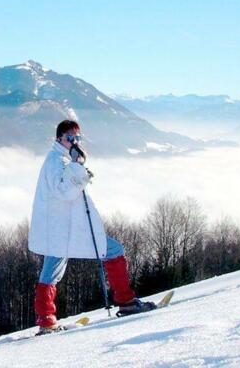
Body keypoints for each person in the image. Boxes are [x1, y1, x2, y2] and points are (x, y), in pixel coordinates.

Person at [28, 120, 155, 333]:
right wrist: (78, 167)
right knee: (112, 251)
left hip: (62, 228)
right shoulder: (57, 161)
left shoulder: (60, 159)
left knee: (51, 270)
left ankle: (46, 320)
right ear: (59, 138)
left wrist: (77, 167)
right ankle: (126, 301)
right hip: (67, 227)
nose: (74, 141)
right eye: (70, 138)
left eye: (77, 138)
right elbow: (64, 191)